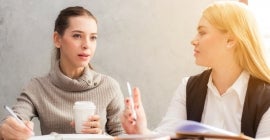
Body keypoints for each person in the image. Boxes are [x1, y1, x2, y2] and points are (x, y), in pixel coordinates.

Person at [121, 1, 270, 139]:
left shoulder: (266, 97)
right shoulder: (188, 87)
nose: (193, 40)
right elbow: (166, 136)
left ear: (230, 40)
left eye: (202, 32)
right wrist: (142, 133)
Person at [0, 6, 124, 139]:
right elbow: (15, 118)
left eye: (93, 38)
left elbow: (123, 136)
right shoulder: (37, 87)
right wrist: (7, 129)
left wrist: (100, 136)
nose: (87, 45)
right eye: (77, 36)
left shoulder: (109, 87)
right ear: (57, 39)